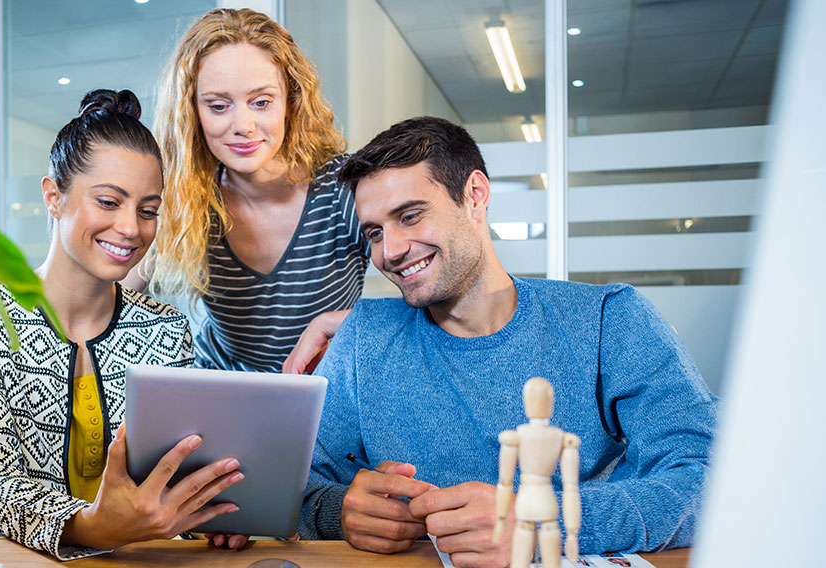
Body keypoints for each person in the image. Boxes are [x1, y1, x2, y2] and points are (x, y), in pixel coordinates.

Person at [298, 116, 718, 567]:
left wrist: (542, 525)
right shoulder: (363, 337)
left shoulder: (608, 320)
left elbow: (710, 479)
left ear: (475, 195)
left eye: (410, 216)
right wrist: (338, 512)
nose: (390, 251)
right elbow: (301, 489)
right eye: (375, 232)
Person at [0, 89, 244, 561]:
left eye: (147, 210)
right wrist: (96, 527)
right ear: (53, 196)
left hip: (137, 560)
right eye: (108, 201)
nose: (130, 228)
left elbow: (171, 475)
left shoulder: (164, 328)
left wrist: (209, 514)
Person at [123, 7, 367, 375]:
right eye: (219, 106)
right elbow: (110, 296)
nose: (243, 126)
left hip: (325, 394)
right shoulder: (185, 198)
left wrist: (346, 324)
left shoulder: (345, 188)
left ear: (291, 101)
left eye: (262, 102)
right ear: (193, 113)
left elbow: (429, 295)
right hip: (223, 393)